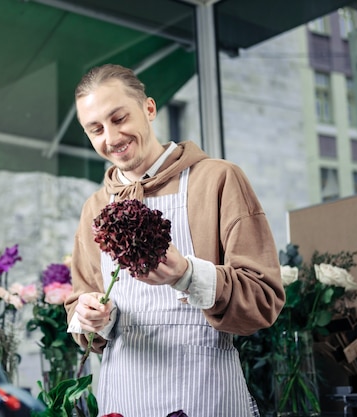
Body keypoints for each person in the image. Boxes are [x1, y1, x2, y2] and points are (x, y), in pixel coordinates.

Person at [64, 64, 285, 417]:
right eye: (96, 129)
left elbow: (263, 301)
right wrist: (91, 318)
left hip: (206, 398)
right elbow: (83, 316)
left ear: (149, 109)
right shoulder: (95, 208)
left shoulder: (218, 180)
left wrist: (187, 275)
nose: (111, 137)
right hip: (122, 401)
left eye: (119, 118)